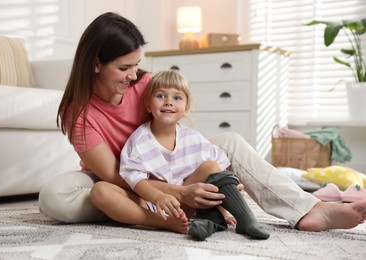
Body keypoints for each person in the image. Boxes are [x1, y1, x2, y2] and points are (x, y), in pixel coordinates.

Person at [38, 12, 366, 234]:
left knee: (230, 142)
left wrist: (204, 176)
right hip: (127, 181)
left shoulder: (146, 84)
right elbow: (118, 175)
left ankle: (309, 210)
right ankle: (171, 214)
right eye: (124, 67)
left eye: (137, 65)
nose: (134, 75)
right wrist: (182, 191)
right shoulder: (78, 113)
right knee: (56, 196)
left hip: (167, 169)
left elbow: (179, 129)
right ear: (96, 63)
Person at [118, 69, 270, 239]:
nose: (168, 102)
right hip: (154, 207)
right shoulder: (139, 140)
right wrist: (159, 197)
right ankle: (210, 221)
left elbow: (218, 172)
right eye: (161, 96)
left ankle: (244, 219)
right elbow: (134, 177)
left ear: (186, 107)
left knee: (212, 166)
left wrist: (227, 204)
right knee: (102, 192)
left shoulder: (193, 139)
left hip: (189, 204)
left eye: (177, 98)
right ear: (147, 104)